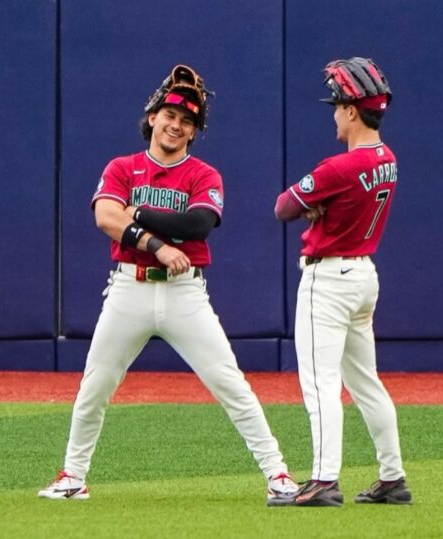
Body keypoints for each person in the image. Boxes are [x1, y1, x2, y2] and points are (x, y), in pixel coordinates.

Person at [39, 65, 298, 506]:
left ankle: (277, 474)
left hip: (184, 291)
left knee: (229, 381)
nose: (176, 125)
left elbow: (197, 224)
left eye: (187, 121)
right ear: (153, 117)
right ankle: (73, 477)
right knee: (95, 384)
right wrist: (156, 244)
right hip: (129, 286)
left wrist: (136, 214)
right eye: (170, 115)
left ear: (194, 132)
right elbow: (105, 216)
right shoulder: (123, 167)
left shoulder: (203, 174)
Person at [274, 57, 412, 507]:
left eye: (337, 105)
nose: (334, 113)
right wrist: (325, 209)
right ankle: (392, 477)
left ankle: (322, 479)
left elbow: (283, 207)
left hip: (329, 278)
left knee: (320, 383)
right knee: (366, 382)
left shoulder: (339, 167)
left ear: (353, 110)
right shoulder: (387, 158)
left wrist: (318, 208)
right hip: (363, 275)